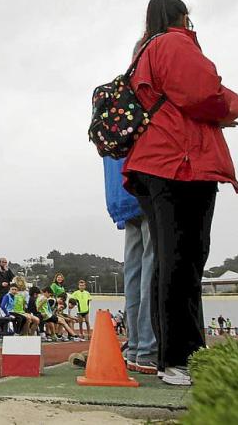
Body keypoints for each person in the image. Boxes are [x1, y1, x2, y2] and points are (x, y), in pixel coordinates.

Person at [123, 0, 238, 386]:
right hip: (181, 163)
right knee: (184, 261)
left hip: (156, 163)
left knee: (170, 261)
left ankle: (171, 356)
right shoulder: (174, 43)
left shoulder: (146, 49)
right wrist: (232, 107)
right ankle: (180, 357)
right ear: (183, 16)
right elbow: (202, 92)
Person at [103, 152, 157, 374]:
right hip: (146, 180)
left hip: (120, 189)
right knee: (152, 268)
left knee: (134, 271)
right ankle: (148, 349)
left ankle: (136, 348)